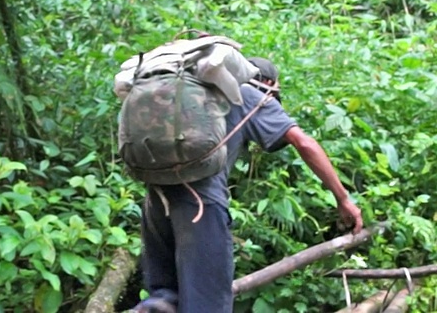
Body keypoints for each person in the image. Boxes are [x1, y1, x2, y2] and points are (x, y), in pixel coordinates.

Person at [133, 57, 364, 313]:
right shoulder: (250, 95)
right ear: (266, 83)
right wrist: (343, 198)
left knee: (165, 299)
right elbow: (304, 143)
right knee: (208, 305)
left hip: (154, 201)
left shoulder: (197, 92)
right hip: (200, 207)